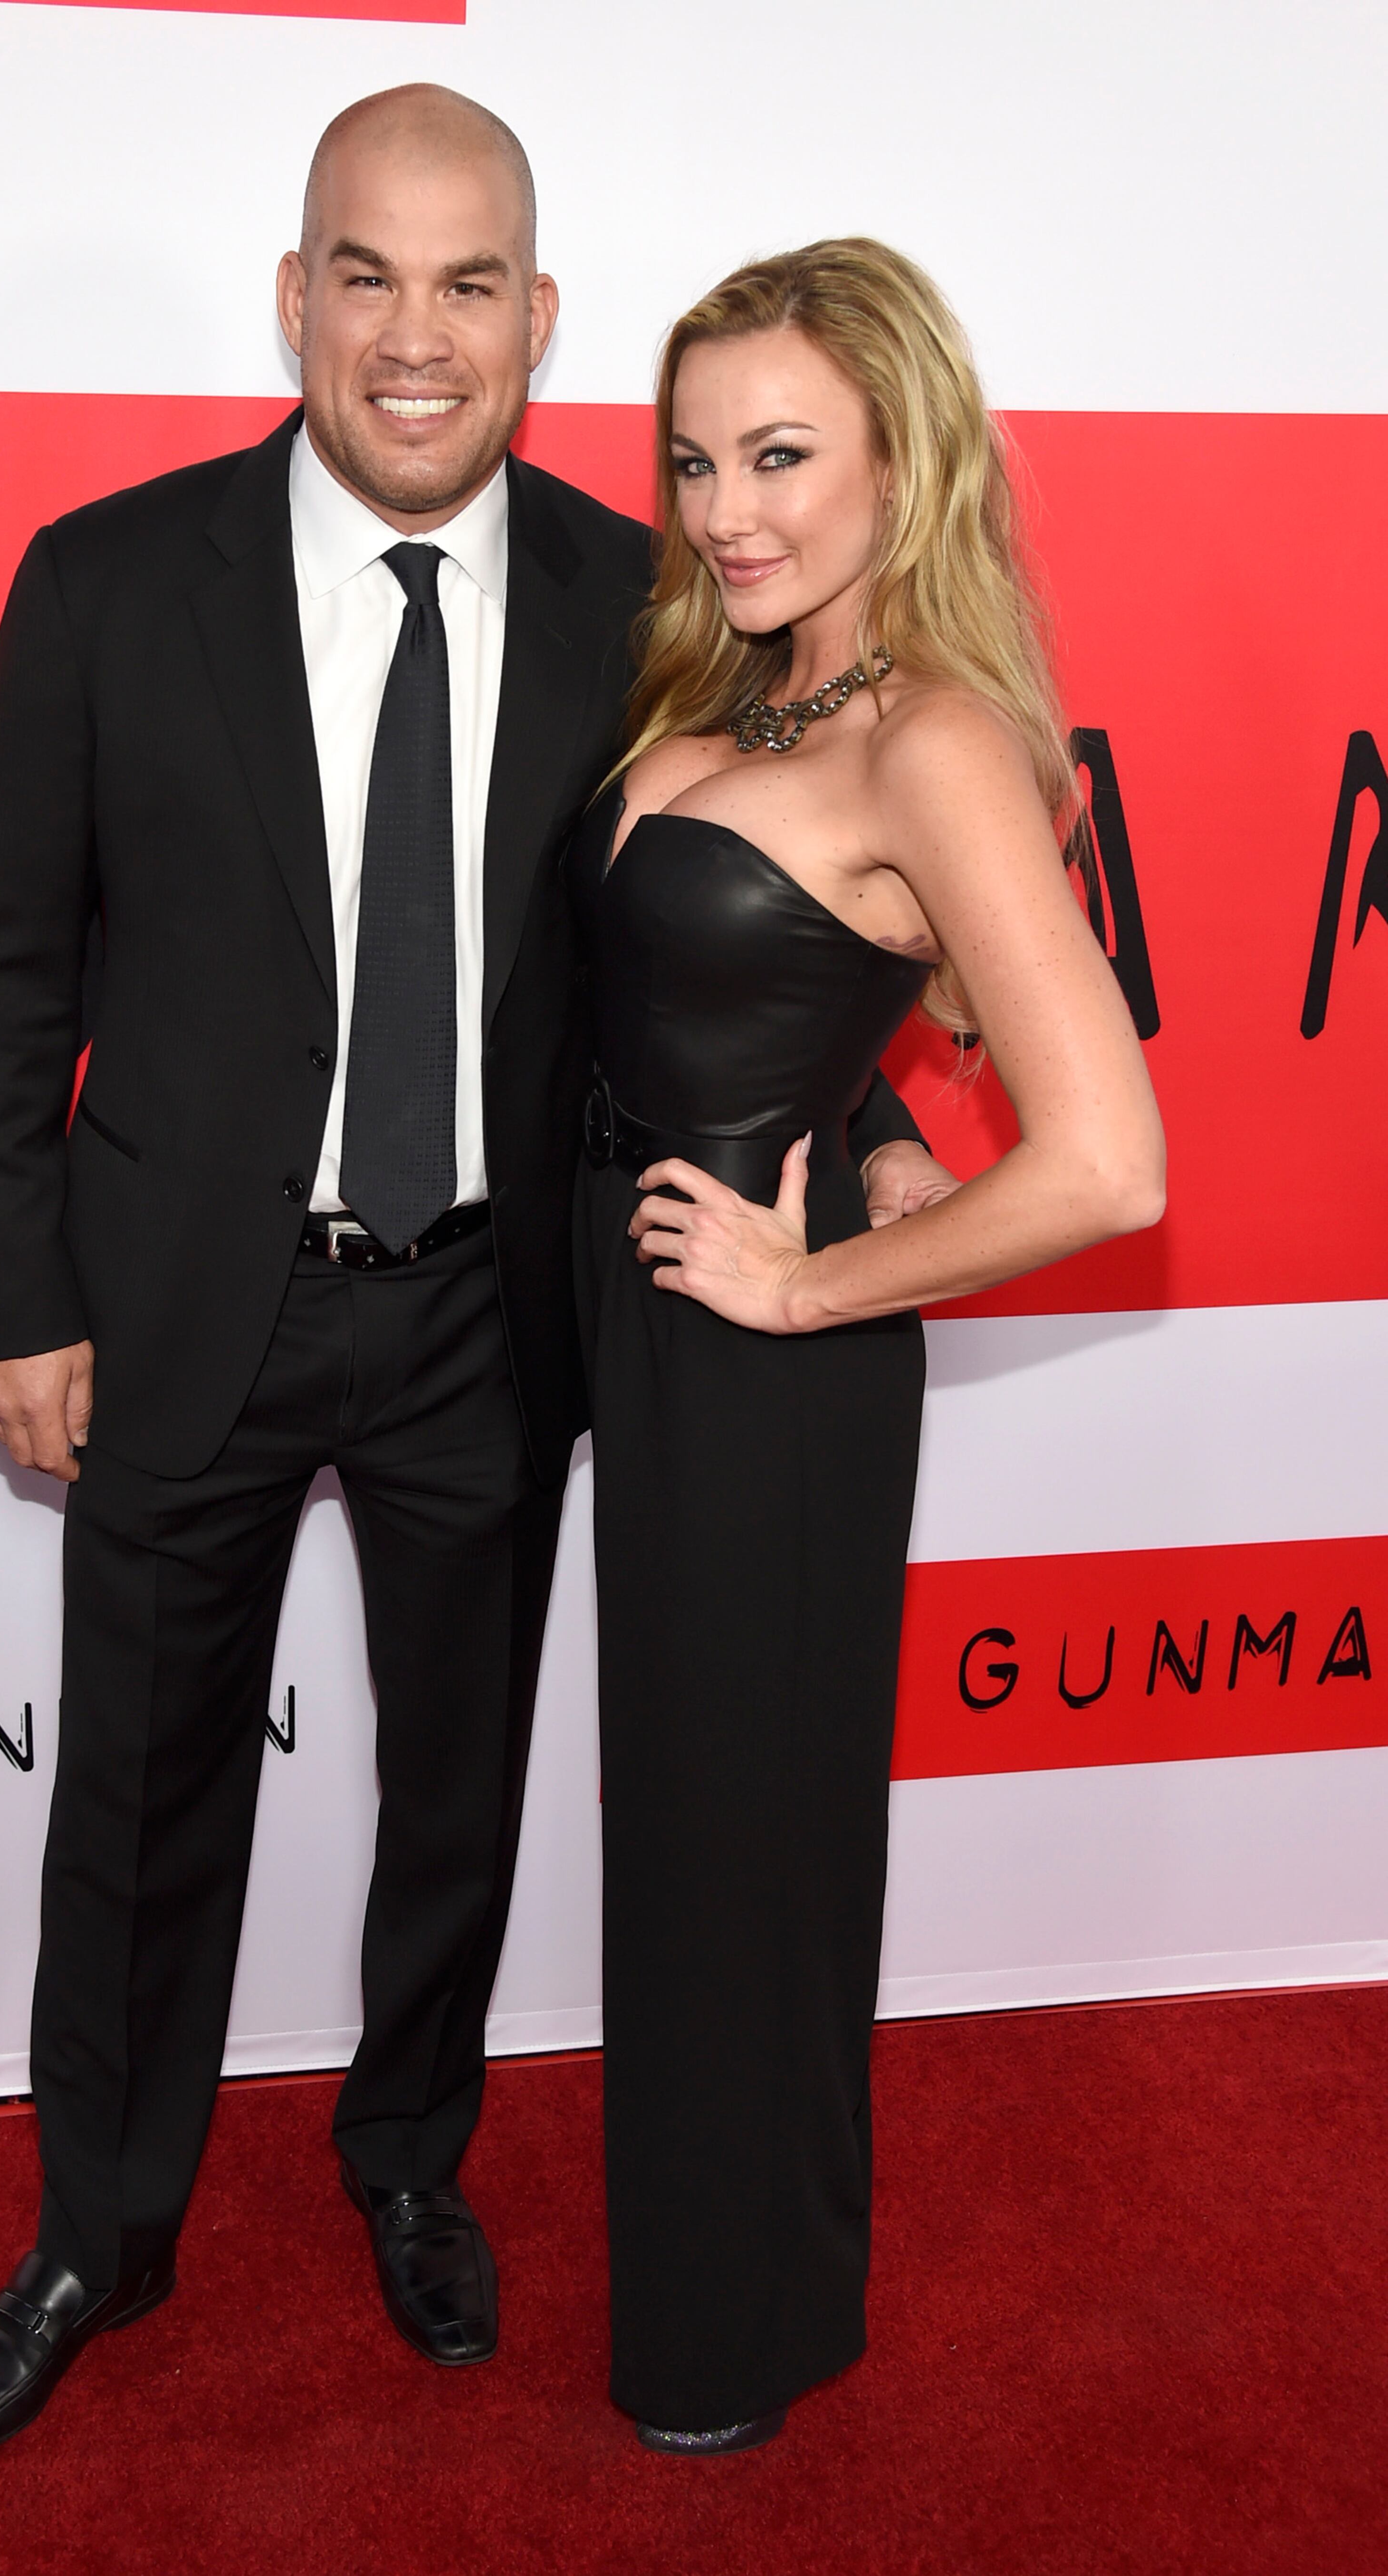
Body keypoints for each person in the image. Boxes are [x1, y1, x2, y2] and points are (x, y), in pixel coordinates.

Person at [0, 93, 946, 2471]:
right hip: (179, 1304)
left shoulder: (644, 605)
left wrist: (859, 1122)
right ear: (293, 299)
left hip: (492, 1310)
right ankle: (98, 2234)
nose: (414, 335)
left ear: (540, 323)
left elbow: (730, 945)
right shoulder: (104, 580)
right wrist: (6, 1290)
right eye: (366, 274)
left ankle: (406, 2158)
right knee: (142, 1805)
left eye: (471, 285)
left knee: (455, 1793)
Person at [571, 239, 1166, 2456]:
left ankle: (730, 2337)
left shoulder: (929, 735)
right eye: (700, 456)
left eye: (786, 455)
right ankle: (756, 2273)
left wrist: (813, 1277)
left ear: (904, 457)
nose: (729, 506)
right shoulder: (744, 692)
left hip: (764, 1370)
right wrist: (885, 1114)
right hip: (635, 1307)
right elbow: (811, 981)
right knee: (706, 1839)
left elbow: (1109, 1161)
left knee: (744, 1851)